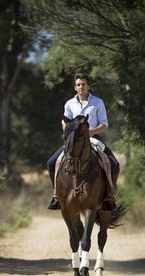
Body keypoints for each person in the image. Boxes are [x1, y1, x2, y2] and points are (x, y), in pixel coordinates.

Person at [47, 73, 120, 210]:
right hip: (73, 141)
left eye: (84, 84)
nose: (81, 87)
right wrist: (68, 132)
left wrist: (90, 132)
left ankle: (109, 195)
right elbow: (65, 122)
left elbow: (104, 124)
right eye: (78, 84)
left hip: (93, 138)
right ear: (75, 87)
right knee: (51, 163)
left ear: (88, 86)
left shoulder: (98, 102)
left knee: (114, 163)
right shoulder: (69, 104)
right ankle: (56, 195)